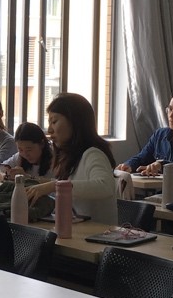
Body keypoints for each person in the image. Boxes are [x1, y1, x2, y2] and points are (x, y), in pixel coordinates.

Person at [25, 93, 117, 225]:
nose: (49, 130)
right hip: (75, 229)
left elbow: (105, 186)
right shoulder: (69, 156)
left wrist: (55, 186)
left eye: (54, 122)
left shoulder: (93, 154)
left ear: (75, 122)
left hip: (97, 233)